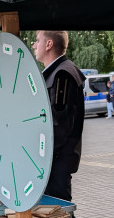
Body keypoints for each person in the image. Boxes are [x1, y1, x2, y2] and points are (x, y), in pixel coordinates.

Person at [32, 30, 84, 201]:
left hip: (55, 161)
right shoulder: (57, 72)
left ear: (49, 44)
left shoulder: (62, 75)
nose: (34, 45)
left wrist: (39, 153)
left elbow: (59, 126)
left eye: (37, 40)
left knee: (58, 215)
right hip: (53, 160)